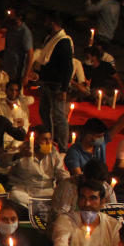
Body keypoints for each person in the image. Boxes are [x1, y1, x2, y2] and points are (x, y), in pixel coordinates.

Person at [50, 179, 121, 246]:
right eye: (83, 198)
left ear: (102, 202)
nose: (87, 203)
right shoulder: (66, 220)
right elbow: (60, 242)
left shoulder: (113, 226)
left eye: (93, 198)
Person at [34, 13, 73, 150]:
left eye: (47, 20)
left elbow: (68, 67)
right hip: (46, 82)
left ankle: (63, 147)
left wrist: (64, 89)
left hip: (56, 85)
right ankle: (47, 140)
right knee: (44, 111)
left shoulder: (63, 42)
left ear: (53, 22)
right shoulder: (50, 38)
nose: (44, 23)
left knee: (59, 116)